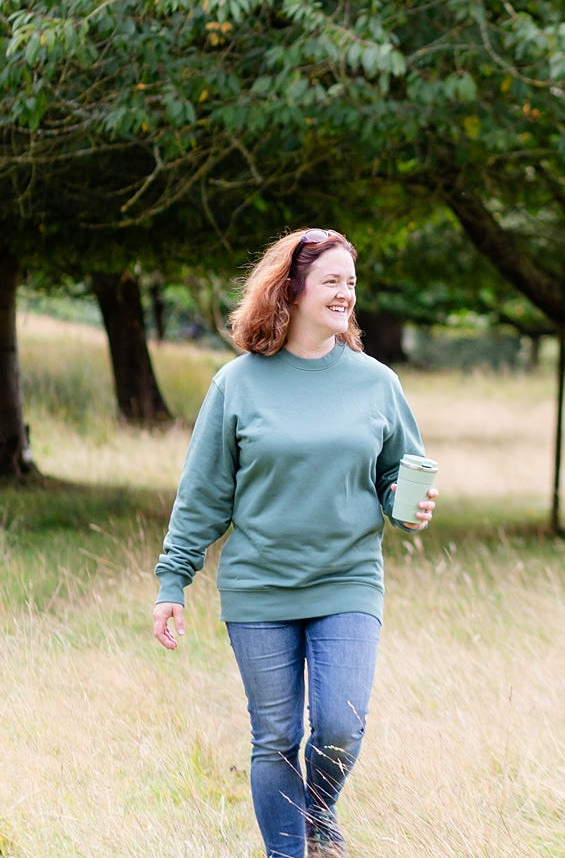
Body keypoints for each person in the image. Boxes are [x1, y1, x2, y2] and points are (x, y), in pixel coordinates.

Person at [152, 228, 437, 858]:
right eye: (332, 281)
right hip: (259, 587)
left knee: (338, 726)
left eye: (351, 283)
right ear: (294, 288)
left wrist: (407, 505)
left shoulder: (376, 383)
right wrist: (173, 580)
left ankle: (320, 813)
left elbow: (399, 473)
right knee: (275, 736)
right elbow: (203, 494)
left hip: (347, 580)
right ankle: (289, 852)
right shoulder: (238, 383)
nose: (345, 295)